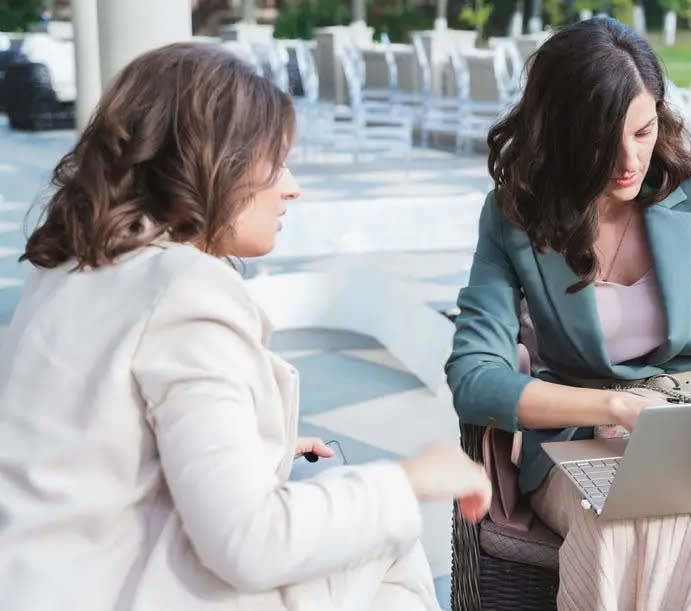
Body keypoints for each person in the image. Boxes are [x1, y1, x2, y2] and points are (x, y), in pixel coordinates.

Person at [0, 42, 491, 611]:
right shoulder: (184, 290)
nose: (292, 187)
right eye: (276, 163)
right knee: (387, 533)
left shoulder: (71, 267)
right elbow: (249, 542)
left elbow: (108, 451)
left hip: (45, 580)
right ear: (215, 166)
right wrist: (411, 480)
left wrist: (257, 441)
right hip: (117, 588)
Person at [446, 17, 691, 610]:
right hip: (583, 443)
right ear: (557, 134)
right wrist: (612, 406)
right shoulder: (515, 217)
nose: (628, 160)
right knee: (619, 522)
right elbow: (474, 378)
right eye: (599, 141)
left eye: (643, 131)